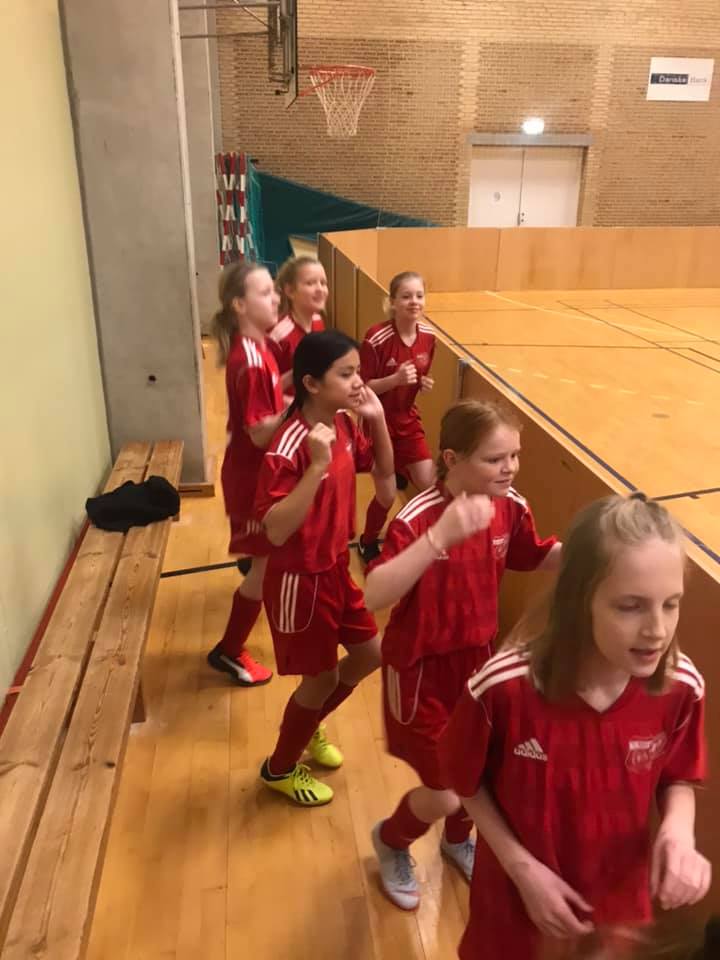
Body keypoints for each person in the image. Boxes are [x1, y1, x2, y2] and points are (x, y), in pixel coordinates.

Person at [440, 493, 710, 960]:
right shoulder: (502, 688)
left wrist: (678, 832)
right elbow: (465, 780)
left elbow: (678, 775)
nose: (657, 630)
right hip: (517, 901)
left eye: (671, 604)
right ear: (578, 602)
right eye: (631, 606)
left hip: (614, 911)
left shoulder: (681, 686)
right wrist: (522, 869)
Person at [364, 399, 561, 909]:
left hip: (478, 665)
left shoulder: (510, 505)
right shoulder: (419, 517)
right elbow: (375, 593)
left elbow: (534, 554)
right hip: (421, 671)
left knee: (481, 769)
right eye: (495, 459)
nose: (510, 468)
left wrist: (593, 554)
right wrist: (440, 538)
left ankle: (456, 841)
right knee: (447, 790)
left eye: (515, 455)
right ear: (452, 459)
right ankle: (391, 839)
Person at [255, 330, 394, 805]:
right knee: (321, 679)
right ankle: (279, 768)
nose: (359, 382)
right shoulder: (290, 445)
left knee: (370, 655)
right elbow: (275, 530)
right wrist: (314, 468)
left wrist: (377, 419)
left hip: (335, 568)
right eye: (347, 374)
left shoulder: (343, 424)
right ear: (312, 384)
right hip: (300, 580)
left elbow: (385, 475)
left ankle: (308, 721)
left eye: (358, 372)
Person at [206, 262, 285, 687]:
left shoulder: (258, 347)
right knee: (263, 568)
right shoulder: (252, 359)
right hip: (252, 482)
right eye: (266, 292)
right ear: (239, 304)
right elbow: (258, 433)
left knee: (269, 562)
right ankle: (229, 649)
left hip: (259, 477)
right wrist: (304, 408)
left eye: (275, 291)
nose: (276, 298)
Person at [358, 271, 436, 563]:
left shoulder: (429, 337)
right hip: (377, 422)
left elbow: (417, 375)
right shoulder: (376, 337)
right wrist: (395, 380)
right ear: (392, 302)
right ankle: (367, 541)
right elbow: (361, 390)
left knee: (430, 485)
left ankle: (421, 539)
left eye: (419, 295)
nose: (414, 301)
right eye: (406, 296)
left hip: (407, 420)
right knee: (387, 495)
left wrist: (422, 383)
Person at [267, 256, 327, 395]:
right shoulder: (278, 333)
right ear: (289, 291)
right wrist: (297, 372)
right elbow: (264, 391)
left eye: (323, 283)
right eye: (310, 283)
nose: (320, 289)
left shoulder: (317, 320)